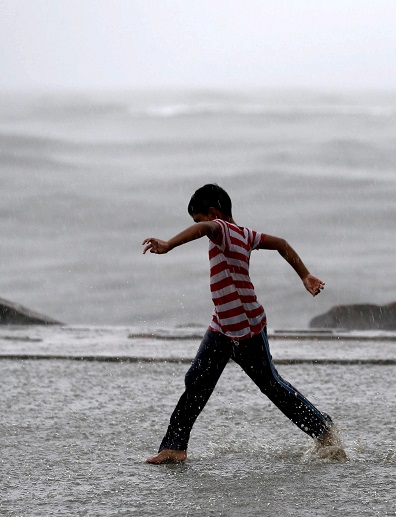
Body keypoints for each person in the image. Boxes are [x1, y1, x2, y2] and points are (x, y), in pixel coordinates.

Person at [141, 183, 341, 463]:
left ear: (213, 214)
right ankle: (175, 447)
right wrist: (304, 274)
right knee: (196, 380)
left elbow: (207, 230)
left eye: (199, 220)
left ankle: (323, 429)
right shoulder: (245, 234)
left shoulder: (220, 229)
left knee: (271, 384)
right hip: (222, 325)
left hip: (246, 328)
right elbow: (282, 244)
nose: (200, 227)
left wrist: (170, 244)